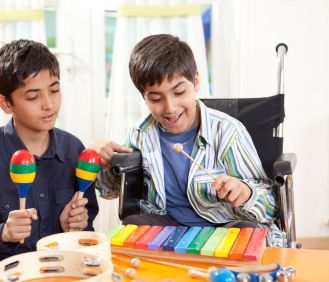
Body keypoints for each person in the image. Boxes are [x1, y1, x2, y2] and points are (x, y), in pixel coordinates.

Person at [91, 34, 282, 247]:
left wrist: (246, 193)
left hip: (222, 226)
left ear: (196, 82)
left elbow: (271, 207)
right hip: (167, 226)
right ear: (144, 98)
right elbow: (110, 191)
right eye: (156, 98)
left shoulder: (228, 132)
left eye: (179, 92)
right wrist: (100, 158)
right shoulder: (140, 134)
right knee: (133, 223)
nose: (170, 107)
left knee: (250, 233)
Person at [0, 39, 99, 282]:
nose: (49, 104)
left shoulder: (73, 150)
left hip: (60, 272)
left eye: (54, 90)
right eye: (33, 96)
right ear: (5, 103)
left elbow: (85, 228)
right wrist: (2, 233)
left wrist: (72, 225)